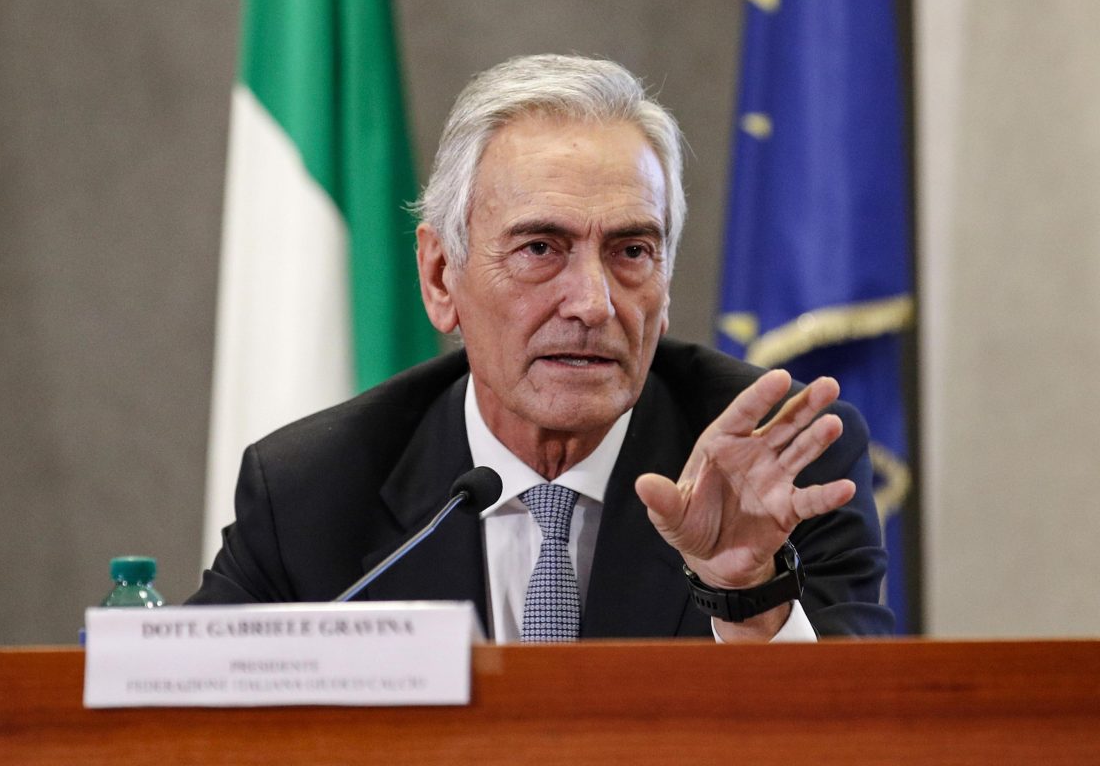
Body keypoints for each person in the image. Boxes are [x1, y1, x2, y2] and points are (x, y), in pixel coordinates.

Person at [188, 54, 894, 642]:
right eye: (539, 248)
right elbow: (180, 718)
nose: (592, 303)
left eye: (631, 251)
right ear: (440, 276)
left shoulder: (781, 467)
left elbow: (857, 735)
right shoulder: (312, 492)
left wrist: (747, 594)